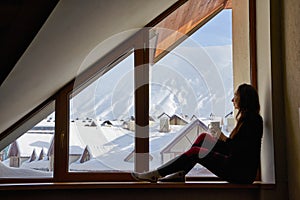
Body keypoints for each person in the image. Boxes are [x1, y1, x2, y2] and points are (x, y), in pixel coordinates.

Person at [131, 83, 263, 184]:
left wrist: (223, 138)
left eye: (236, 96)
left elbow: (238, 151)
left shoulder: (252, 120)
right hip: (238, 166)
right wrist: (221, 138)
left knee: (196, 152)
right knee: (204, 137)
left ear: (244, 99)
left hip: (240, 173)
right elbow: (238, 148)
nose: (233, 100)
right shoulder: (248, 119)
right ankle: (180, 174)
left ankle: (156, 174)